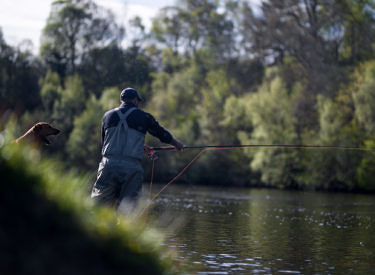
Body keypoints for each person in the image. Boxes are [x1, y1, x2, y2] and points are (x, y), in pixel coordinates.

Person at [91, 87, 184, 213]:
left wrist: (139, 146)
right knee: (127, 210)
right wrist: (176, 143)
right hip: (131, 169)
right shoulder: (144, 117)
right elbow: (161, 134)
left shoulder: (107, 116)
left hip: (108, 165)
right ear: (135, 100)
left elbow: (106, 143)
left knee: (99, 207)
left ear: (121, 100)